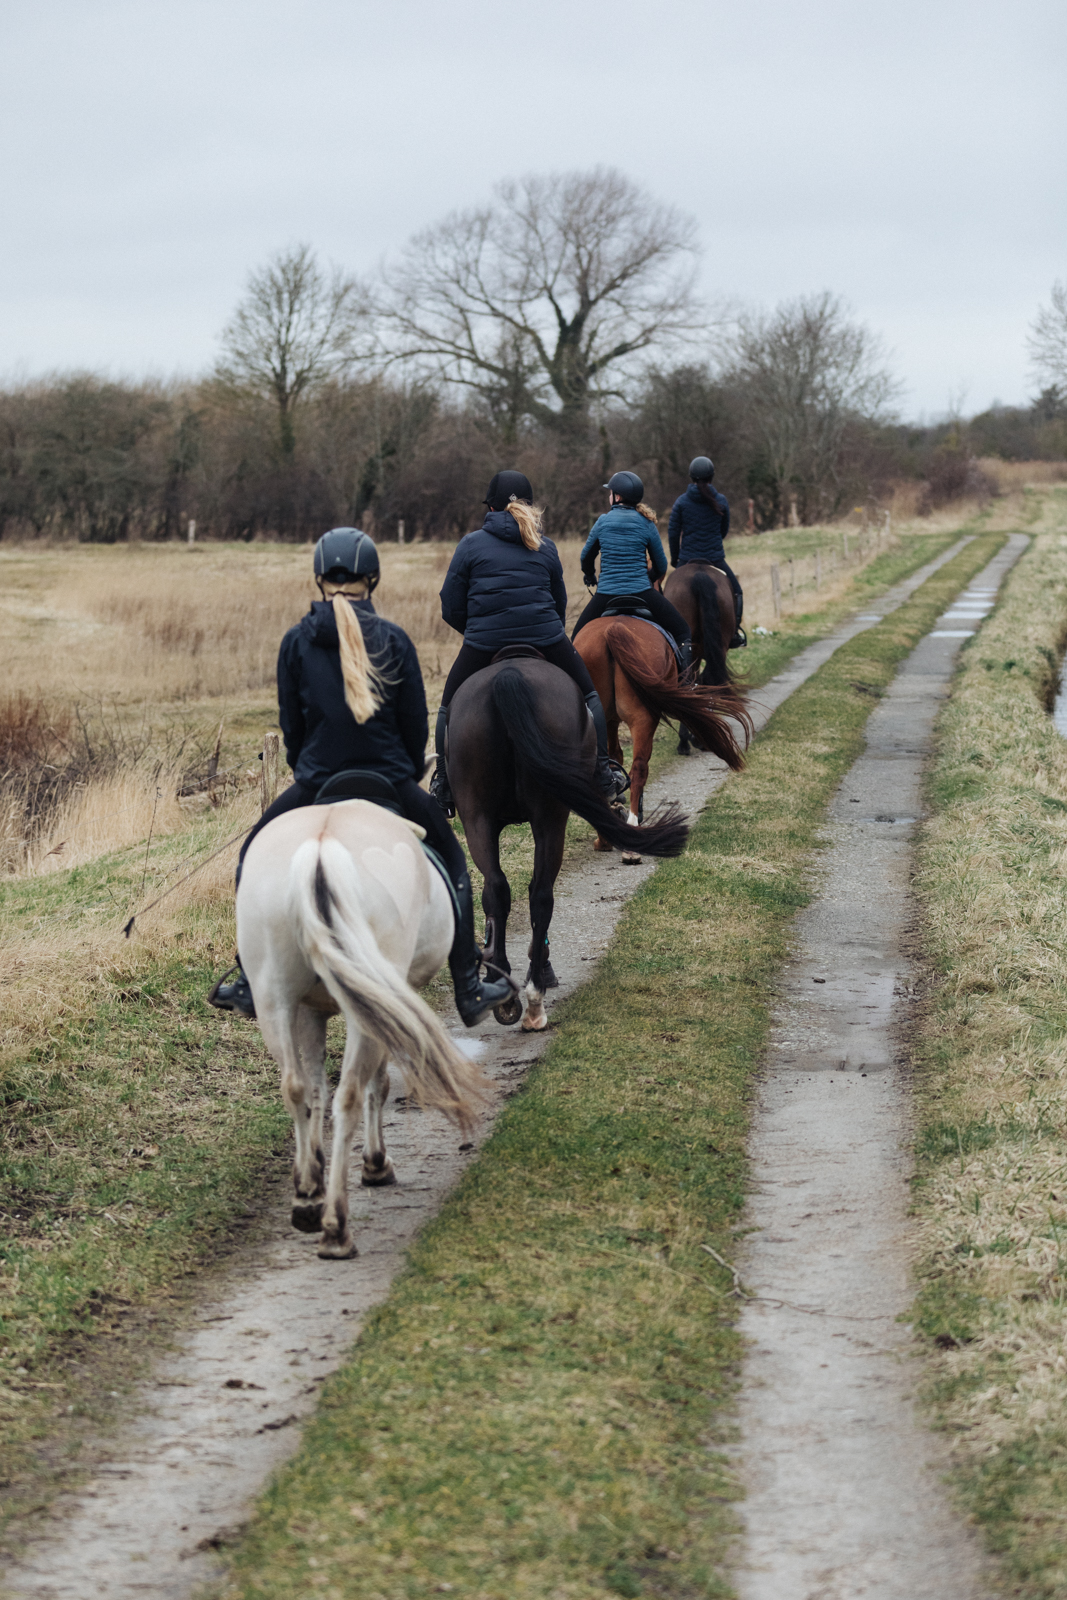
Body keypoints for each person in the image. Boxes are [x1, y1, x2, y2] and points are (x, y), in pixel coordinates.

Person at [208, 526, 513, 1028]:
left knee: (250, 858)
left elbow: (292, 728)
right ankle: (468, 984)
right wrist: (406, 773)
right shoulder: (394, 639)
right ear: (372, 578)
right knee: (453, 860)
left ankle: (246, 978)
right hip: (389, 782)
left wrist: (307, 772)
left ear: (319, 577)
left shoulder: (295, 642)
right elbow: (414, 727)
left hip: (317, 782)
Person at [429, 471, 627, 817]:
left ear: (491, 507)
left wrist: (476, 630)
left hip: (484, 642)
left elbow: (450, 604)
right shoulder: (545, 546)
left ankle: (443, 784)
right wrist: (546, 630)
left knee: (446, 707)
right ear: (530, 506)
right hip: (544, 637)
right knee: (590, 697)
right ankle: (602, 774)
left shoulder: (470, 544)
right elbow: (559, 602)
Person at [572, 470, 693, 671]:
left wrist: (590, 575)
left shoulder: (602, 522)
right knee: (683, 632)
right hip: (642, 593)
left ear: (617, 497)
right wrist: (649, 578)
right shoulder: (646, 523)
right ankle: (688, 683)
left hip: (605, 595)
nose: (609, 496)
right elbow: (661, 565)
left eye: (610, 492)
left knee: (576, 638)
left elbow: (586, 557)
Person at [668, 456, 746, 648]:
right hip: (715, 558)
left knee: (667, 592)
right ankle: (734, 633)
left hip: (687, 558)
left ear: (691, 477)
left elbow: (673, 533)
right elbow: (723, 530)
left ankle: (667, 634)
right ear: (712, 476)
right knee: (737, 591)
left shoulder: (681, 502)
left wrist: (675, 558)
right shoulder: (721, 500)